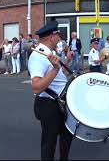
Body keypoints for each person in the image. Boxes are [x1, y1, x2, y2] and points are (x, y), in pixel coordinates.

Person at [28, 20, 73, 160]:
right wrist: (55, 68)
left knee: (67, 134)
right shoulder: (38, 56)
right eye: (58, 35)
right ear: (51, 37)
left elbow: (58, 77)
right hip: (49, 105)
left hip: (59, 103)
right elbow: (36, 88)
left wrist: (66, 62)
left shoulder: (48, 52)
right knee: (49, 142)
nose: (59, 38)